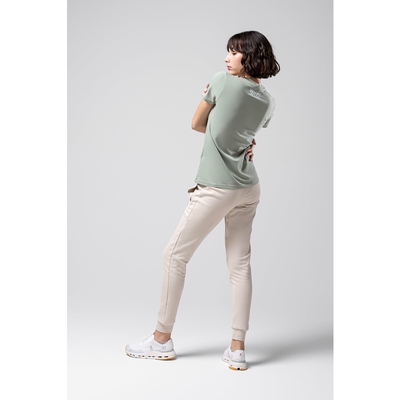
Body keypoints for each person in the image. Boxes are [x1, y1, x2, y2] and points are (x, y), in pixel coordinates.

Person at [125, 30, 280, 371]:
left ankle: (161, 340)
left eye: (234, 52)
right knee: (240, 266)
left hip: (217, 186)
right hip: (248, 187)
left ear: (250, 56)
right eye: (228, 51)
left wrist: (212, 98)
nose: (227, 58)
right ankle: (237, 349)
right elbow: (245, 135)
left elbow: (197, 124)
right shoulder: (268, 100)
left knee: (174, 256)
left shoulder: (222, 81)